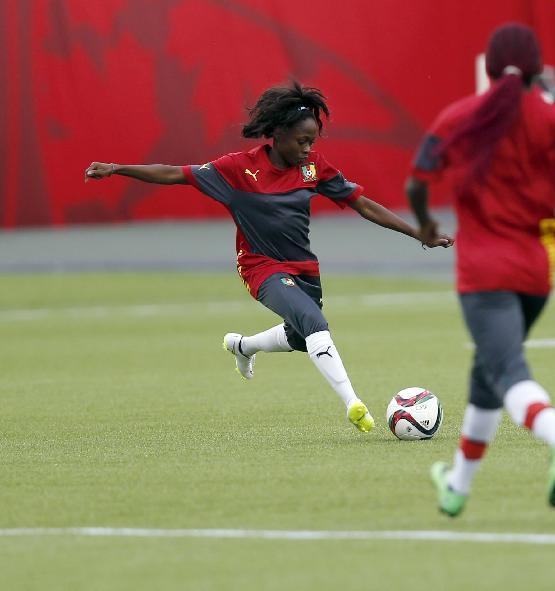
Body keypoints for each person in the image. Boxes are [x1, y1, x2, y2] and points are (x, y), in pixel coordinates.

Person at [85, 81, 452, 434]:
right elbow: (174, 173)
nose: (308, 148)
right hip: (260, 267)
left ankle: (243, 347)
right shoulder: (236, 169)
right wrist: (118, 169)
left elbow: (363, 205)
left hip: (304, 269)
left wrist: (418, 232)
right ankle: (353, 404)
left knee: (300, 336)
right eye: (301, 140)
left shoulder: (313, 168)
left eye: (312, 140)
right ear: (277, 134)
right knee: (315, 324)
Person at [406, 23, 555, 517]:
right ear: (539, 68)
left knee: (508, 371)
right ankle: (457, 487)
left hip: (484, 271)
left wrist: (427, 222)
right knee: (486, 376)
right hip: (538, 269)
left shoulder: (458, 116)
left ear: (491, 67)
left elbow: (416, 180)